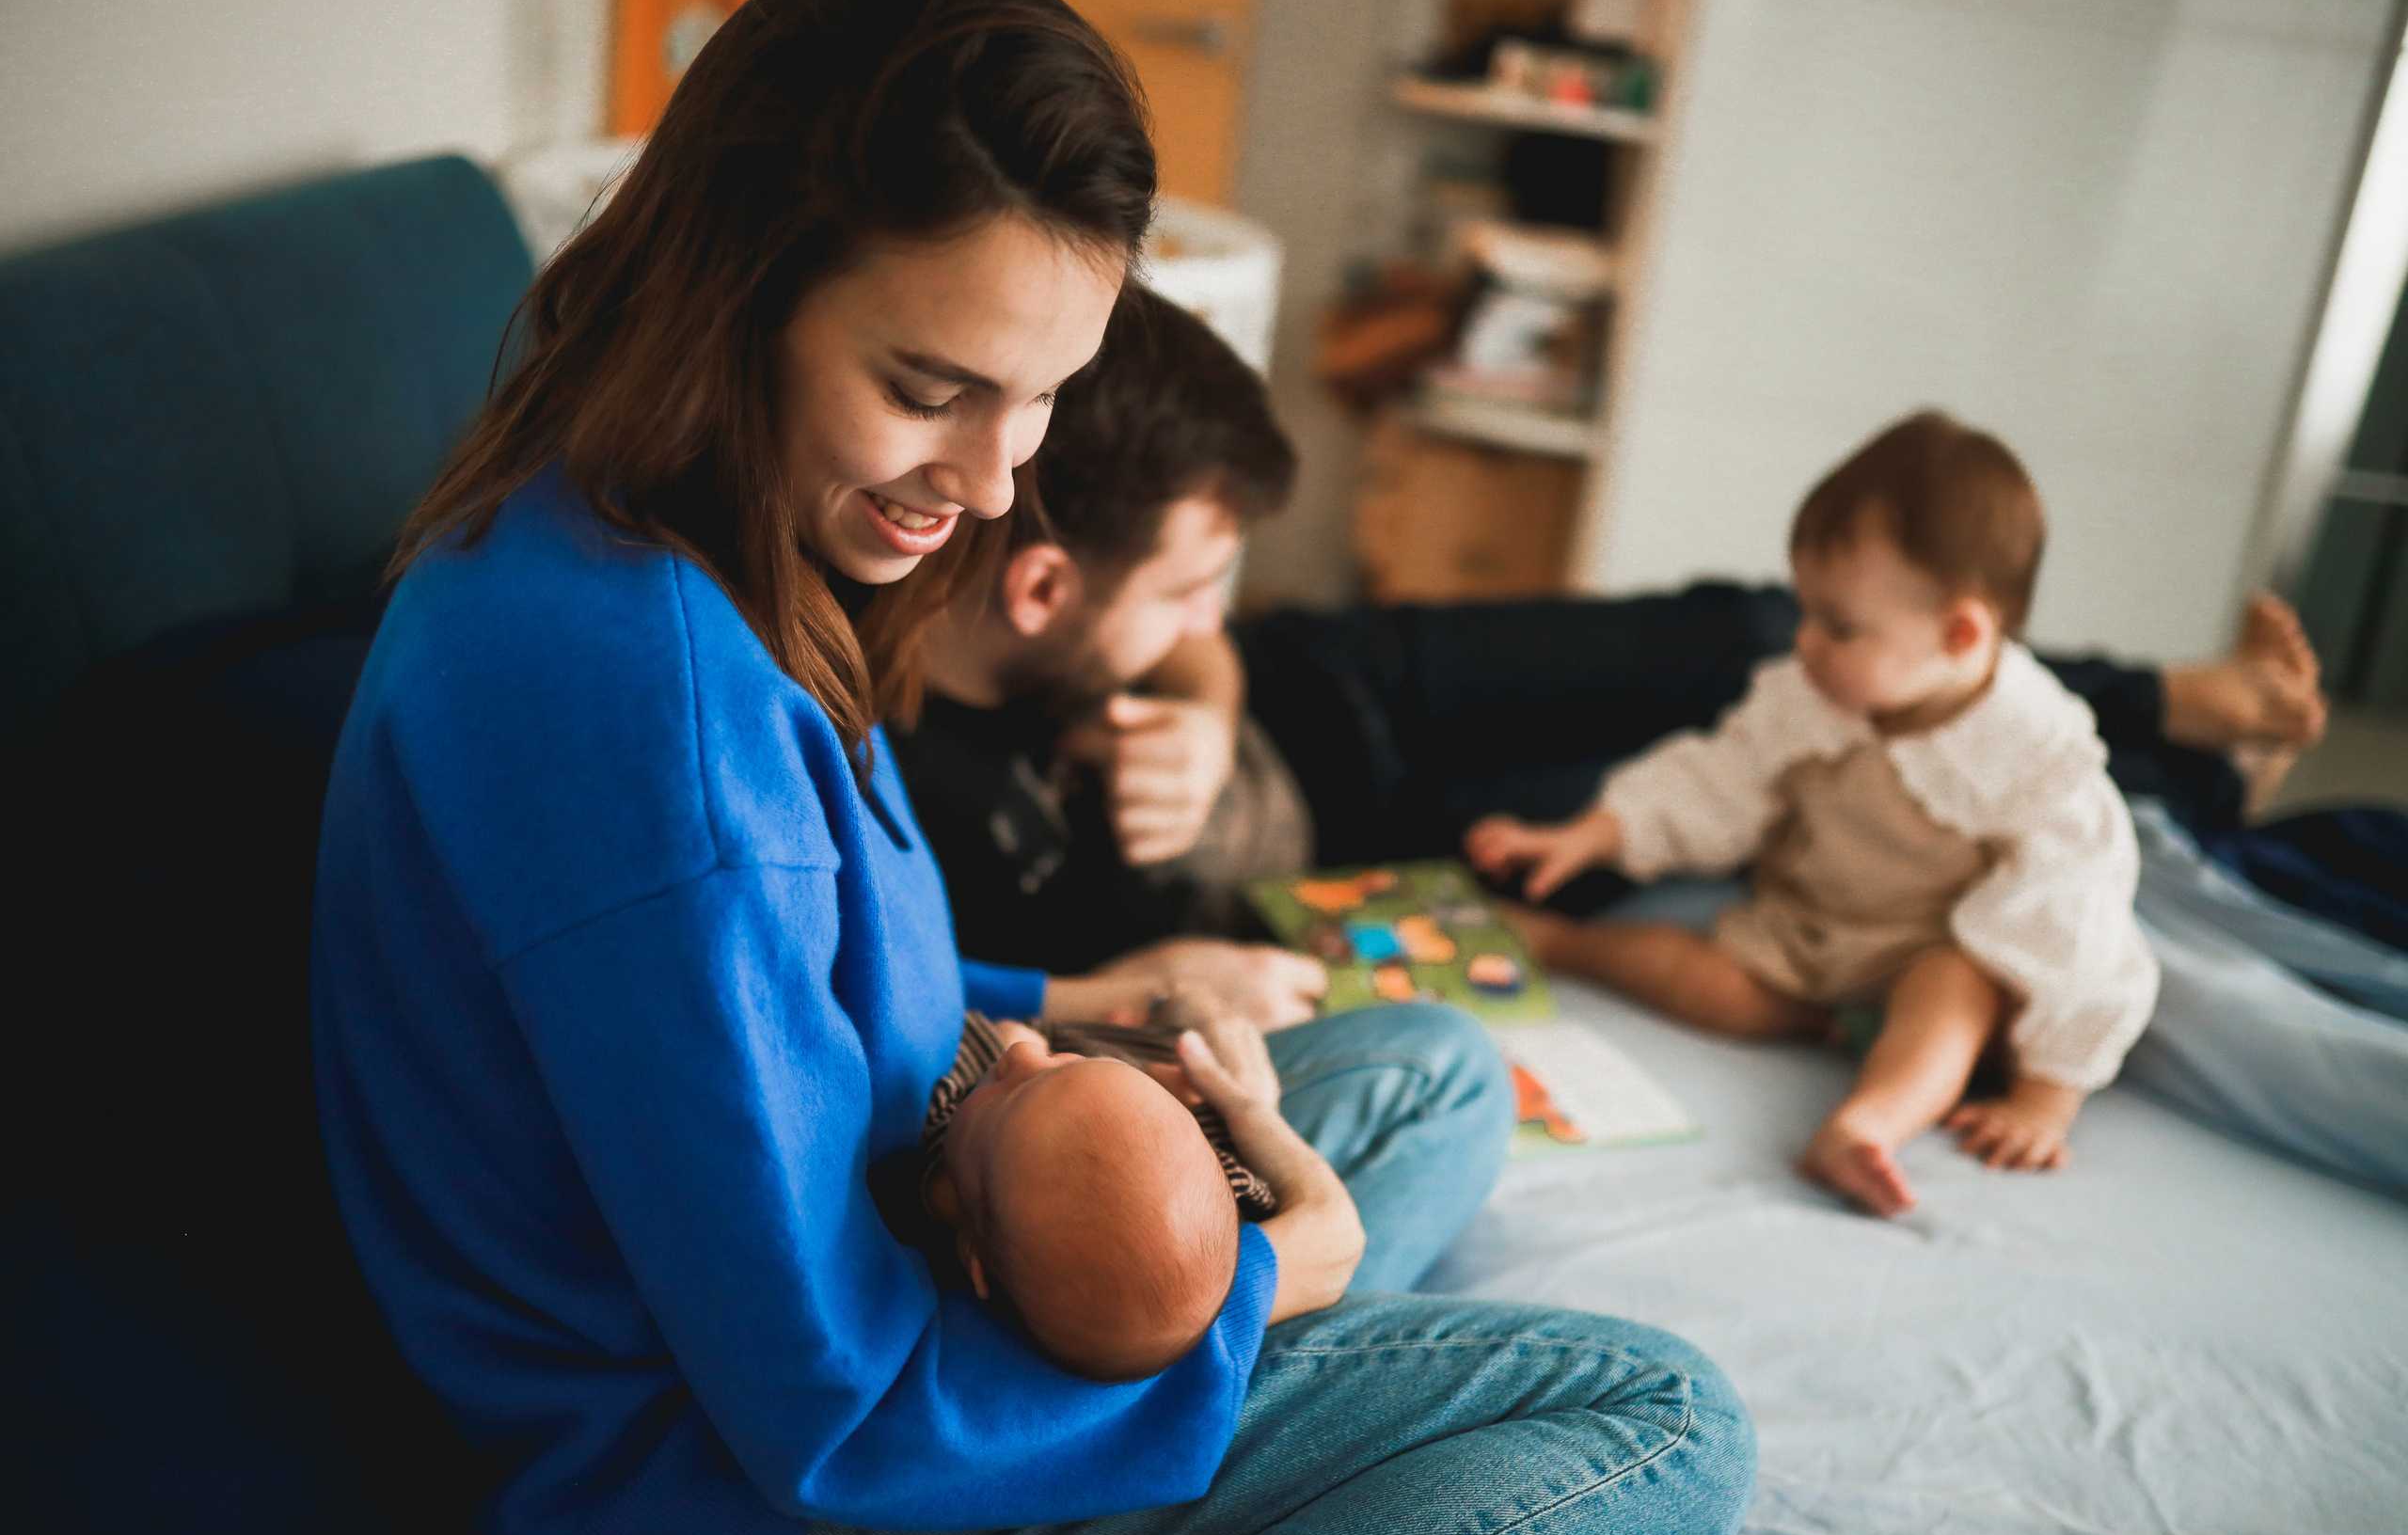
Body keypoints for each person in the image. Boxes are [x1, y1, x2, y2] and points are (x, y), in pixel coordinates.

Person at [310, 0, 1756, 1535]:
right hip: (750, 1496)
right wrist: (1281, 1274)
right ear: (739, 291)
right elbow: (829, 1401)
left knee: (1431, 1069)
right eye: (931, 391)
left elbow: (781, 993)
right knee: (1660, 1420)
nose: (998, 480)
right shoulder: (649, 722)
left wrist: (1085, 992)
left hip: (903, 1232)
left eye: (1043, 392)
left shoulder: (664, 528)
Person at [891, 291, 2326, 1010]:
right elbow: (950, 1019)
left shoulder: (1061, 562)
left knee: (1755, 629)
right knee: (1777, 753)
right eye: (1192, 587)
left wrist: (1202, 699)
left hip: (1348, 676)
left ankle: (2179, 700)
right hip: (1356, 843)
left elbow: (1208, 645)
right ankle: (2175, 787)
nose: (1204, 613)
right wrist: (1115, 987)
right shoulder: (905, 802)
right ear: (1040, 592)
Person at [1466, 413, 2161, 1215]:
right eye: (1806, 610)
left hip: (1925, 953)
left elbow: (2072, 921)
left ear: (1959, 632)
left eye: (1839, 625)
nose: (1805, 642)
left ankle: (1868, 1123)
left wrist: (2046, 1096)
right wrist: (1592, 834)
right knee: (1714, 983)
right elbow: (1720, 776)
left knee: (1953, 990)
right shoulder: (1812, 695)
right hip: (1805, 932)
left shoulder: (2036, 752)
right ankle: (1563, 943)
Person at [911, 1007, 1338, 1383]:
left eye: (1007, 1095)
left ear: (974, 1258)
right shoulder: (1220, 1187)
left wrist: (1000, 1041)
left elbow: (968, 1040)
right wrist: (1177, 1090)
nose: (1022, 1058)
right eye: (1065, 1065)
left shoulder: (941, 1143)